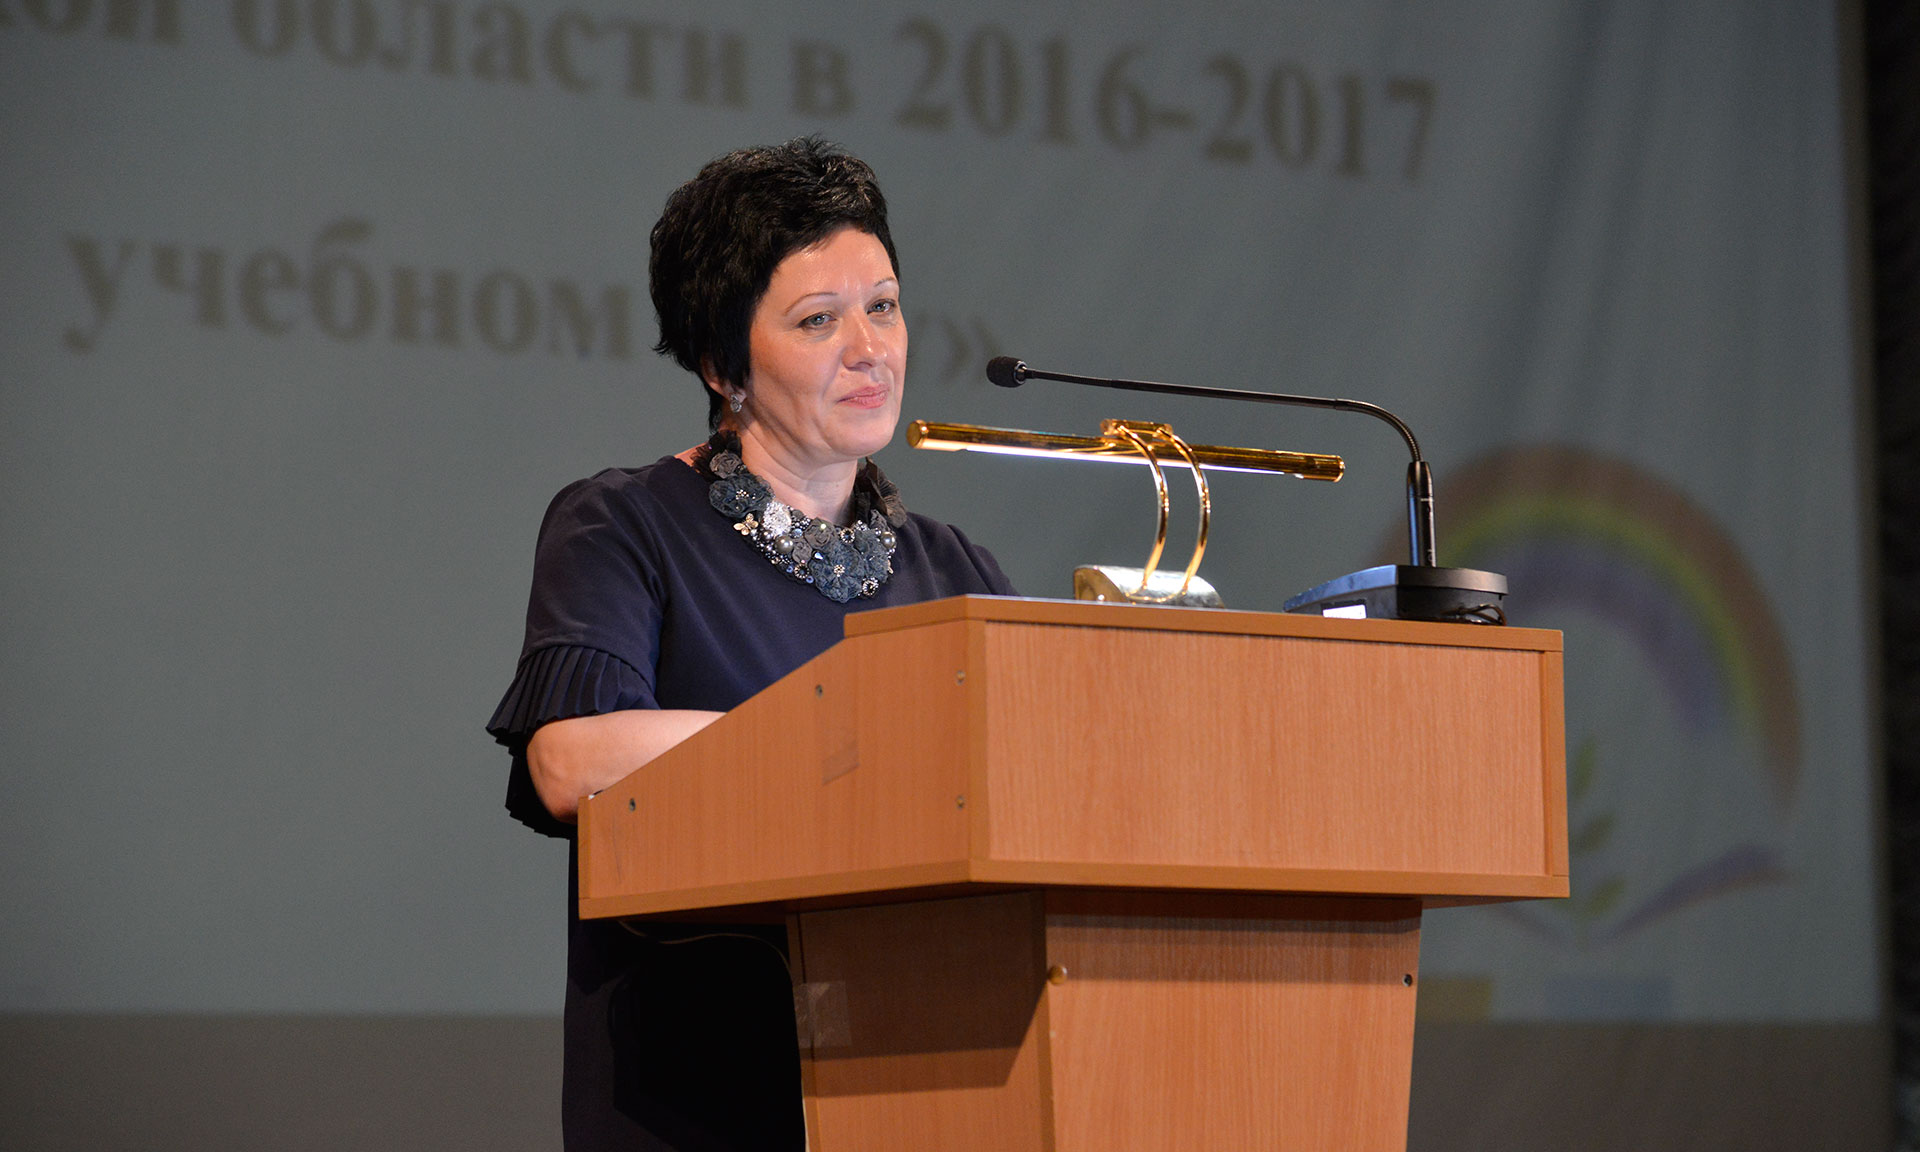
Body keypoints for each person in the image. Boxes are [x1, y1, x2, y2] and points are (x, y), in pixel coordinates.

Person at [486, 137, 1016, 1151]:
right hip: (700, 1098)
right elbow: (571, 760)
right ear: (723, 365)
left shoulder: (958, 571)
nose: (869, 348)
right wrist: (851, 738)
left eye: (885, 307)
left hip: (935, 1087)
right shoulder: (625, 527)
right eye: (819, 320)